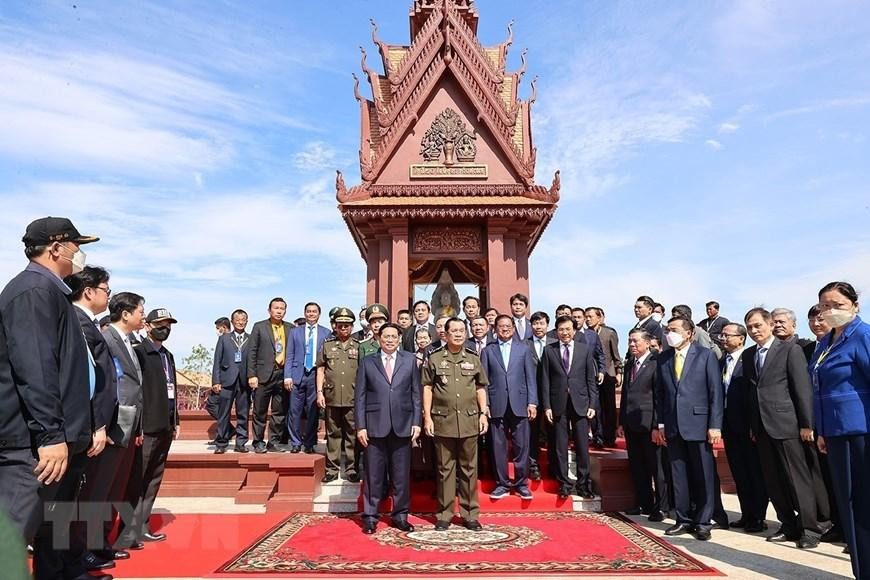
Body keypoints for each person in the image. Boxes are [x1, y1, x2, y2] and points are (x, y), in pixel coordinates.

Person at [0, 217, 101, 580]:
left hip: (47, 442)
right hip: (28, 446)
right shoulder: (33, 291)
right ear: (56, 248)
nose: (80, 254)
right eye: (75, 245)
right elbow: (36, 368)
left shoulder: (49, 291)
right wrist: (50, 435)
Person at [743, 307, 826, 549]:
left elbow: (801, 389)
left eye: (758, 325)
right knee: (774, 480)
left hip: (788, 425)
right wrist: (752, 424)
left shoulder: (790, 349)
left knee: (796, 479)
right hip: (762, 427)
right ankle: (787, 524)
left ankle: (810, 529)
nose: (754, 330)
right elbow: (752, 392)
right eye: (749, 327)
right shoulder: (750, 355)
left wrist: (806, 424)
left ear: (770, 325)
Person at [814, 281, 870, 576]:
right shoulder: (825, 342)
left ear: (855, 306)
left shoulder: (862, 335)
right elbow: (820, 388)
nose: (830, 311)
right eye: (825, 305)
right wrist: (822, 430)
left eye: (838, 305)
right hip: (835, 434)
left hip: (860, 431)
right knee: (847, 506)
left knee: (862, 505)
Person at [65, 267, 118, 574]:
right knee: (73, 499)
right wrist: (97, 424)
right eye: (105, 290)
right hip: (84, 426)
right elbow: (89, 379)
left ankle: (75, 557)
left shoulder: (88, 322)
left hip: (93, 424)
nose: (107, 295)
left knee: (80, 497)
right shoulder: (78, 322)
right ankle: (72, 559)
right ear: (89, 291)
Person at [655, 316, 723, 542]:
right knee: (679, 475)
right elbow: (661, 395)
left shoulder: (705, 356)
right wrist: (661, 424)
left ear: (689, 333)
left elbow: (715, 393)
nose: (669, 334)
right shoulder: (663, 358)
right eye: (667, 330)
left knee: (703, 475)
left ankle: (703, 521)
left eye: (674, 330)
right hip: (673, 426)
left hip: (699, 425)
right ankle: (683, 519)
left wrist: (714, 425)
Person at [116, 309, 180, 550]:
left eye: (169, 324)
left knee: (153, 479)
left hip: (166, 425)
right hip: (147, 427)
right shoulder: (139, 352)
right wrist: (139, 426)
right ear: (147, 326)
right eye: (160, 324)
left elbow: (171, 389)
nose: (166, 328)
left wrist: (175, 421)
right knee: (136, 480)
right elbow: (136, 392)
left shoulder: (168, 355)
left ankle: (142, 526)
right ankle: (126, 532)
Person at [423, 318, 489, 530]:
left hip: (469, 420)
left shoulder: (473, 357)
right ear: (446, 333)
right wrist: (427, 417)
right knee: (445, 469)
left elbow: (480, 387)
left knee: (470, 469)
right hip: (443, 420)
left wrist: (483, 413)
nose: (459, 334)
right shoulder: (434, 358)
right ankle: (445, 513)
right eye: (455, 331)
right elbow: (427, 388)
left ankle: (470, 514)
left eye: (462, 330)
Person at [355, 323, 421, 534]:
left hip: (403, 425)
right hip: (374, 426)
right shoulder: (367, 362)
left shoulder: (410, 360)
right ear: (379, 338)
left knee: (401, 476)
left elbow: (415, 394)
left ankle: (400, 516)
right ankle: (370, 517)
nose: (390, 340)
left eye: (394, 336)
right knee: (373, 475)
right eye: (386, 336)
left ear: (400, 339)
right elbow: (360, 397)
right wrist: (361, 426)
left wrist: (416, 422)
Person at [101, 292, 146, 556]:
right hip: (112, 424)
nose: (143, 315)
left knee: (115, 486)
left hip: (129, 424)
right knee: (102, 487)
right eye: (140, 310)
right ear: (126, 313)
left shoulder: (129, 342)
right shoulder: (107, 339)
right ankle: (92, 544)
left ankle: (103, 541)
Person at [540, 315, 598, 500]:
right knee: (560, 446)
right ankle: (564, 484)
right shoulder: (549, 351)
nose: (564, 333)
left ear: (574, 330)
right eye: (561, 330)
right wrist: (547, 406)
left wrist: (592, 404)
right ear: (556, 331)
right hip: (558, 404)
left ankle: (584, 484)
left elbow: (591, 379)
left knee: (582, 445)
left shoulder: (585, 350)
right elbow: (545, 380)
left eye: (568, 329)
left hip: (580, 403)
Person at [480, 315, 537, 499]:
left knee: (522, 445)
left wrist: (532, 402)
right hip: (496, 404)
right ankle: (502, 484)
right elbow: (483, 381)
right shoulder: (489, 351)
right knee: (498, 446)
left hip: (520, 403)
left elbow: (530, 378)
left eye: (507, 326)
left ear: (513, 328)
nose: (504, 329)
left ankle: (521, 484)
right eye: (500, 327)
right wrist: (485, 404)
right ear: (494, 329)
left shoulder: (524, 349)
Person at [719, 322, 768, 533]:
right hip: (729, 425)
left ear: (741, 338)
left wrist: (753, 424)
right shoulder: (721, 361)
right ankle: (746, 514)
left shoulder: (749, 358)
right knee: (739, 472)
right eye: (722, 335)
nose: (723, 339)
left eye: (728, 335)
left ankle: (758, 517)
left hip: (748, 425)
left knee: (754, 472)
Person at [619, 329, 669, 522]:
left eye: (635, 341)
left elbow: (659, 397)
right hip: (632, 423)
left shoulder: (657, 362)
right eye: (629, 341)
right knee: (637, 466)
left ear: (647, 343)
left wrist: (658, 425)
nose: (631, 344)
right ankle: (644, 503)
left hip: (650, 425)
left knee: (657, 467)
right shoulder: (630, 363)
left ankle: (662, 506)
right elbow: (625, 395)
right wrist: (622, 421)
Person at [317, 308, 360, 483]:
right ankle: (331, 470)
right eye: (340, 325)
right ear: (335, 326)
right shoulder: (327, 345)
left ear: (352, 327)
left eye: (347, 325)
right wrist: (319, 392)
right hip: (332, 396)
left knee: (352, 435)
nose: (344, 328)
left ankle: (351, 469)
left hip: (352, 396)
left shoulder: (358, 346)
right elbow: (320, 369)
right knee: (333, 435)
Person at [247, 298, 293, 453]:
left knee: (279, 412)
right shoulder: (259, 327)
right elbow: (252, 352)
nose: (279, 311)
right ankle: (258, 441)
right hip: (263, 375)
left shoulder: (290, 328)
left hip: (282, 375)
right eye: (276, 308)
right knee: (259, 411)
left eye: (282, 308)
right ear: (269, 310)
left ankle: (273, 442)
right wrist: (252, 375)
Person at [285, 302, 330, 454]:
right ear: (305, 313)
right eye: (309, 311)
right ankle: (296, 442)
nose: (311, 314)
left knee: (313, 411)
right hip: (297, 374)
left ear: (319, 314)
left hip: (315, 375)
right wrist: (287, 376)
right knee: (294, 411)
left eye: (314, 311)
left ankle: (310, 442)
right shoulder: (295, 332)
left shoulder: (326, 333)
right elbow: (289, 355)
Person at [211, 309, 251, 454]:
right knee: (223, 413)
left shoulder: (251, 338)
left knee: (243, 414)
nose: (240, 322)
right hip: (227, 380)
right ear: (232, 321)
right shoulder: (224, 338)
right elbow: (217, 360)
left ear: (247, 321)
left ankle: (241, 442)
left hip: (244, 381)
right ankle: (221, 442)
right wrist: (216, 380)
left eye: (243, 319)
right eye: (237, 319)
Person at [526, 311, 556, 481]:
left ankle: (554, 466)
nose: (538, 327)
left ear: (547, 325)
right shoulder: (523, 344)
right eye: (535, 323)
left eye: (541, 323)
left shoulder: (555, 343)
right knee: (533, 432)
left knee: (554, 432)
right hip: (532, 394)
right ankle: (533, 465)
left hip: (552, 395)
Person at [586, 307, 622, 447]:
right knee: (596, 406)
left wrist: (619, 372)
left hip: (608, 374)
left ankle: (610, 436)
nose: (588, 319)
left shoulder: (609, 333)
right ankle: (598, 436)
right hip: (593, 376)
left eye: (591, 316)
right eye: (586, 316)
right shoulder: (585, 334)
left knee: (609, 407)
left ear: (599, 318)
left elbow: (615, 354)